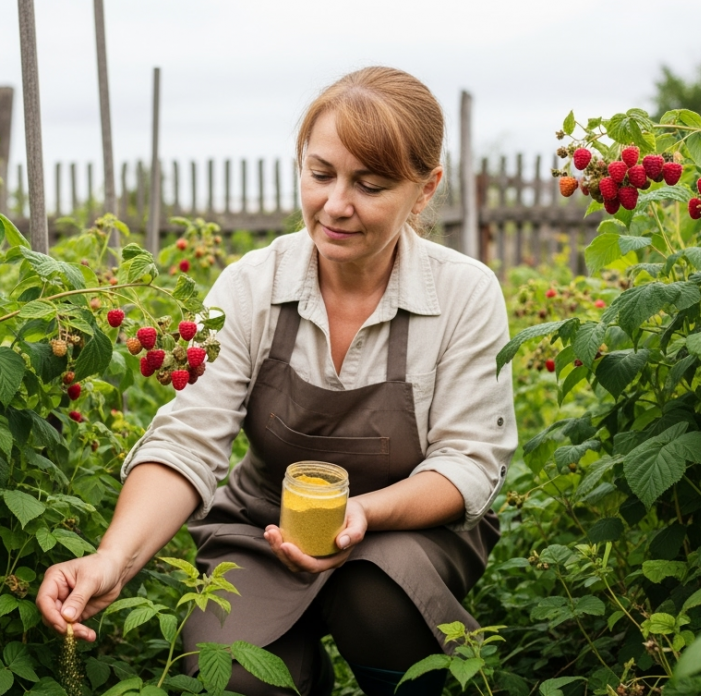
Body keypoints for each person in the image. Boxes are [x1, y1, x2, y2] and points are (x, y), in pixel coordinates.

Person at [37, 66, 516, 696]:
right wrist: (111, 559)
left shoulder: (463, 293)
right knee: (235, 677)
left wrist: (361, 514)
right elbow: (188, 439)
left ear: (424, 191)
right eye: (321, 175)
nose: (336, 205)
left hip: (409, 533)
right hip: (263, 529)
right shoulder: (251, 286)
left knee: (378, 590)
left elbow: (467, 463)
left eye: (369, 186)